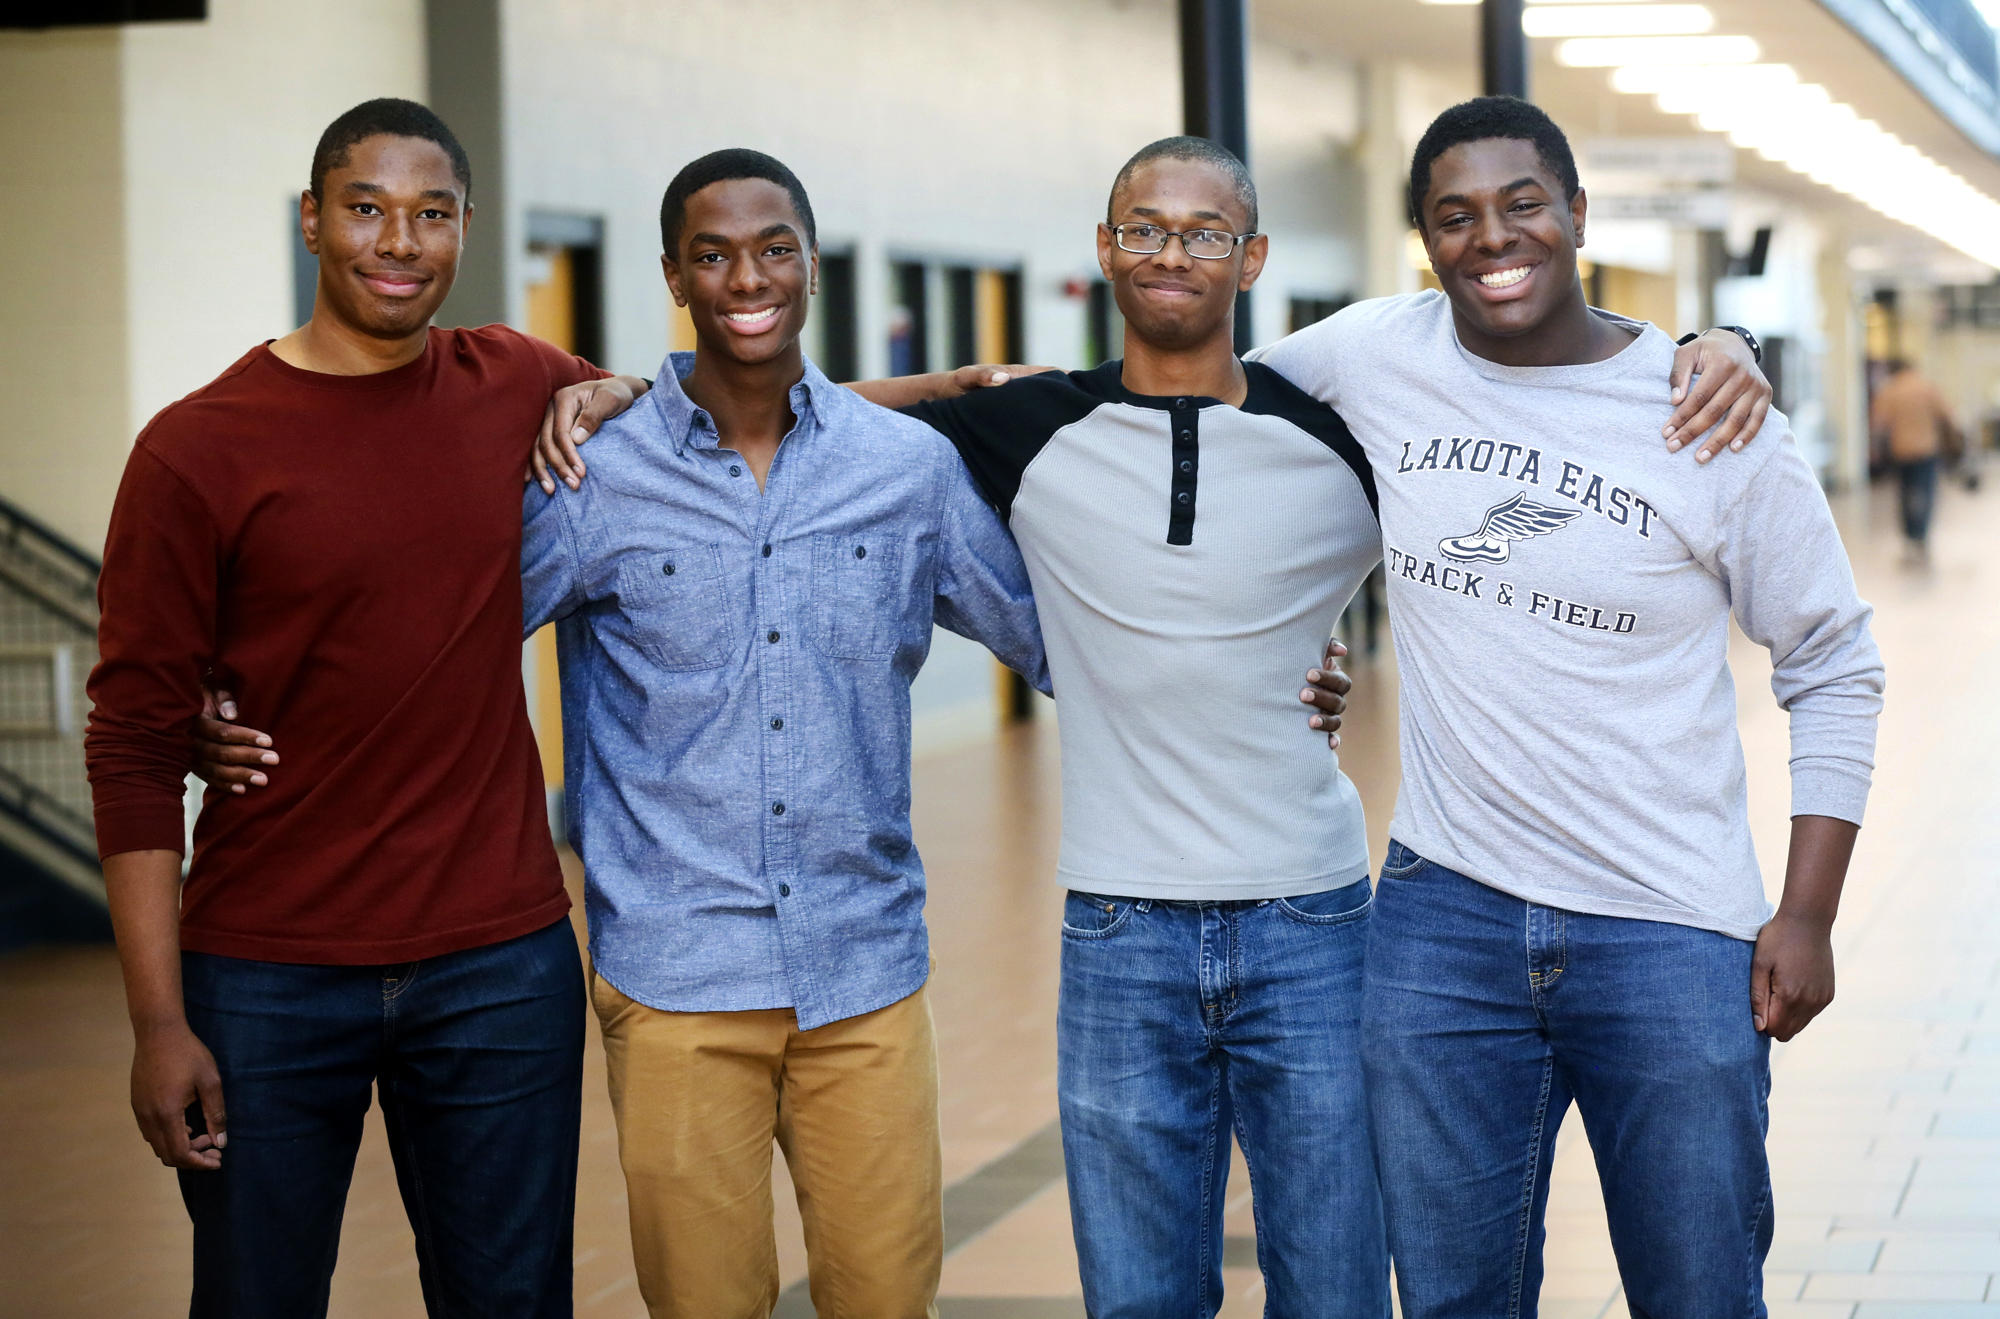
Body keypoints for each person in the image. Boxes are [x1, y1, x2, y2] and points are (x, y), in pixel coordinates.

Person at [533, 136, 1771, 1317]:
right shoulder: (1024, 424)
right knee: (1137, 1292)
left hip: (1318, 924)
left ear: (1252, 256)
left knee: (1334, 1284)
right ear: (1103, 249)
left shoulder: (1344, 430)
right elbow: (804, 427)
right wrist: (649, 398)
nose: (1171, 253)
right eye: (1143, 228)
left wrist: (1714, 341)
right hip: (1115, 931)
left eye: (1203, 232)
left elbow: (1520, 398)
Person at [1254, 96, 1884, 1317]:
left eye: (1521, 203)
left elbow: (1830, 660)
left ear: (1578, 214)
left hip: (1669, 929)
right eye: (1454, 216)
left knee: (1695, 1292)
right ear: (1425, 242)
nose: (1492, 237)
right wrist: (1294, 626)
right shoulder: (1371, 353)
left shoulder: (1710, 414)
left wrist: (1805, 913)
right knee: (1447, 1298)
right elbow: (1215, 428)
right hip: (1443, 922)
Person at [84, 99, 649, 1317]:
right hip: (265, 971)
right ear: (311, 221)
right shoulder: (196, 449)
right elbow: (130, 743)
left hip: (497, 962)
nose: (398, 241)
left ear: (462, 231)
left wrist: (610, 391)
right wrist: (158, 1021)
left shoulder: (510, 378)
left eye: (429, 214)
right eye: (366, 209)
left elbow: (738, 419)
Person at [1871, 357, 1953, 558]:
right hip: (1926, 449)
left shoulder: (1891, 390)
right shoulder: (1926, 387)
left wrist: (1875, 449)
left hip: (1901, 450)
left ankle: (1909, 533)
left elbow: (1879, 422)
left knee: (1905, 492)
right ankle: (1921, 533)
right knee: (1926, 491)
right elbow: (1946, 415)